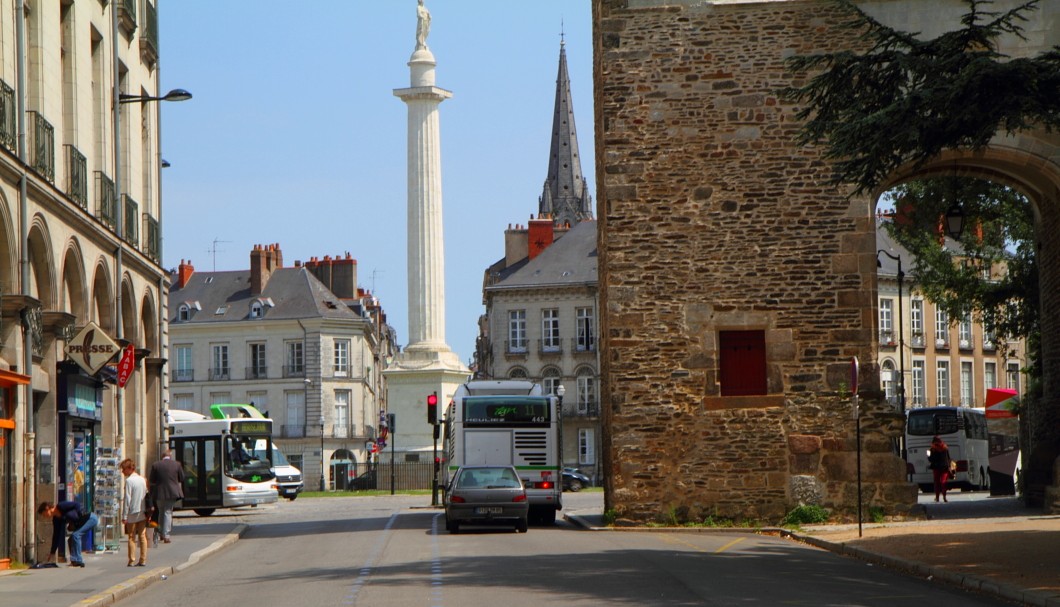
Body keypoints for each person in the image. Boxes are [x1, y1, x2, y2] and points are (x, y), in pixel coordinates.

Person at [37, 500, 97, 567]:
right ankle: (74, 561)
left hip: (90, 518)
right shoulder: (56, 519)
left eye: (43, 514)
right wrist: (52, 552)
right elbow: (56, 535)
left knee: (76, 535)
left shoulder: (61, 506)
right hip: (82, 522)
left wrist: (78, 517)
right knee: (71, 539)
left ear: (47, 508)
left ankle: (79, 560)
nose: (45, 516)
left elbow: (77, 504)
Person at [148, 450, 184, 544]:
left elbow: (152, 480)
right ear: (170, 456)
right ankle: (166, 535)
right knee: (168, 512)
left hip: (159, 492)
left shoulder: (156, 465)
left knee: (161, 512)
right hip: (172, 492)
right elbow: (182, 478)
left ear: (162, 456)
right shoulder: (177, 464)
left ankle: (160, 533)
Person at [120, 458, 149, 566]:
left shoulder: (129, 481)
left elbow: (127, 499)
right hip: (142, 510)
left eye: (123, 469)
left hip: (132, 512)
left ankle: (131, 560)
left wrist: (124, 515)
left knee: (131, 536)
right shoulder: (142, 479)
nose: (122, 472)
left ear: (129, 468)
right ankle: (143, 559)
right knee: (142, 535)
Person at [928, 435, 952, 503]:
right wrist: (949, 466)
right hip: (945, 467)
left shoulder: (932, 449)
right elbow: (948, 458)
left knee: (937, 483)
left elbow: (931, 459)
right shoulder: (945, 447)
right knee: (943, 482)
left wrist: (928, 455)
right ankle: (944, 496)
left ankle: (937, 497)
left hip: (936, 467)